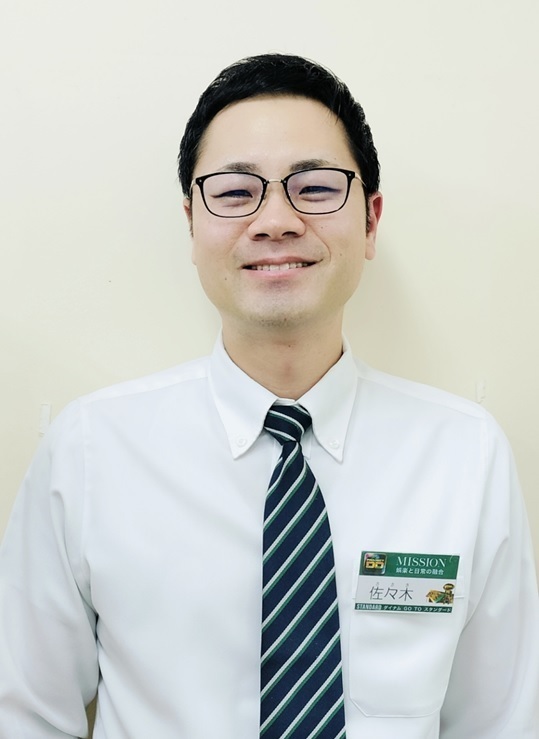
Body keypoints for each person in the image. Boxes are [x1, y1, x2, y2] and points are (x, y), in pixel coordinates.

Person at [0, 53, 537, 739]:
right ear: (192, 223)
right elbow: (26, 714)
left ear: (370, 221)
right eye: (234, 192)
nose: (276, 220)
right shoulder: (89, 451)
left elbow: (500, 723)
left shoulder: (464, 454)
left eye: (315, 187)